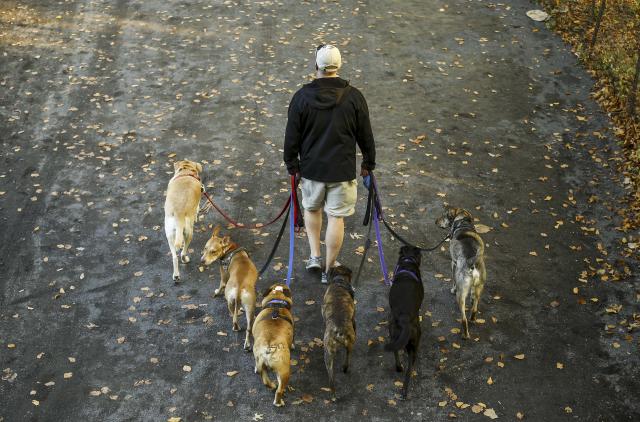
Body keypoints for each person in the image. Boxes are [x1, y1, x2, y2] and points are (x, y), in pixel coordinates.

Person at [283, 44, 376, 284]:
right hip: (342, 171)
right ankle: (329, 266)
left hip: (312, 170)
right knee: (336, 217)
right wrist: (368, 162)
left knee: (312, 209)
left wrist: (292, 164)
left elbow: (292, 134)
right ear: (339, 66)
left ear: (317, 66)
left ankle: (314, 256)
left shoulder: (302, 97)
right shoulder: (354, 97)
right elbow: (365, 134)